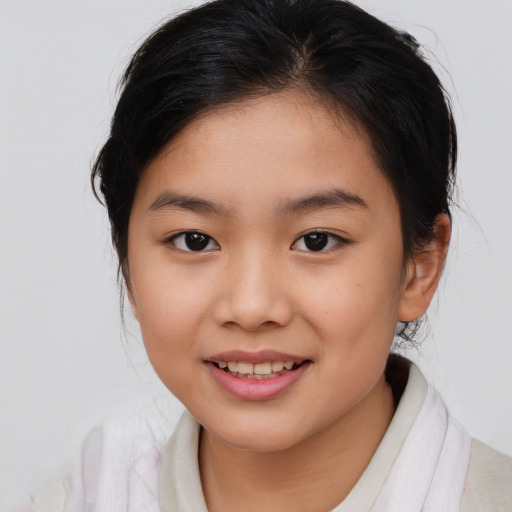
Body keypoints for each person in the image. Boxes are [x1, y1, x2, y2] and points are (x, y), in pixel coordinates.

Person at [23, 0, 512, 510]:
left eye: (317, 240)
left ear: (420, 267)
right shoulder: (80, 498)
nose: (252, 307)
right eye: (194, 240)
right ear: (128, 265)